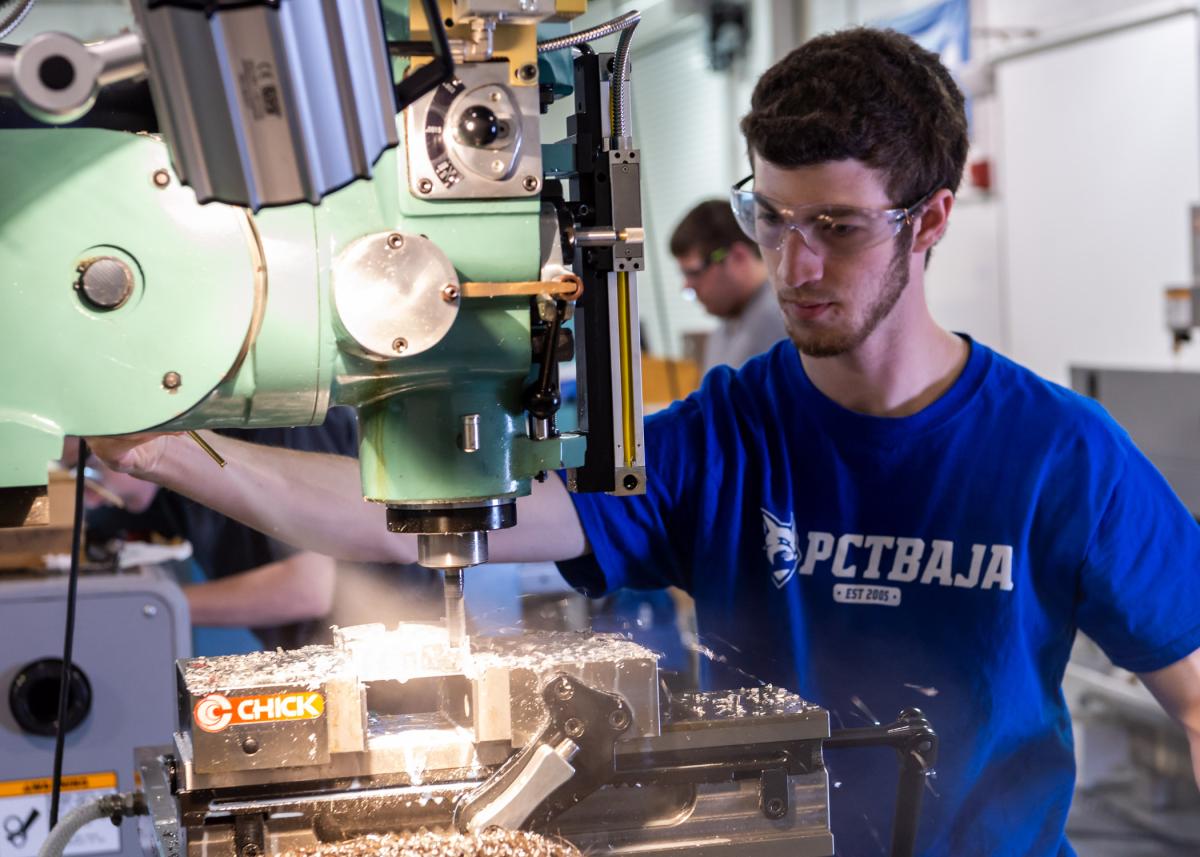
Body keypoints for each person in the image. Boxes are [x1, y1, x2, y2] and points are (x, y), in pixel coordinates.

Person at [85, 29, 1200, 857]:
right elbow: (410, 508)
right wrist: (173, 452)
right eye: (774, 217)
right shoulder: (724, 435)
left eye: (840, 229)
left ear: (934, 220)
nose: (796, 264)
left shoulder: (1062, 456)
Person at [670, 199, 787, 372]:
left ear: (738, 257)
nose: (687, 286)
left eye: (694, 273)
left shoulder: (780, 319)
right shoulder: (730, 321)